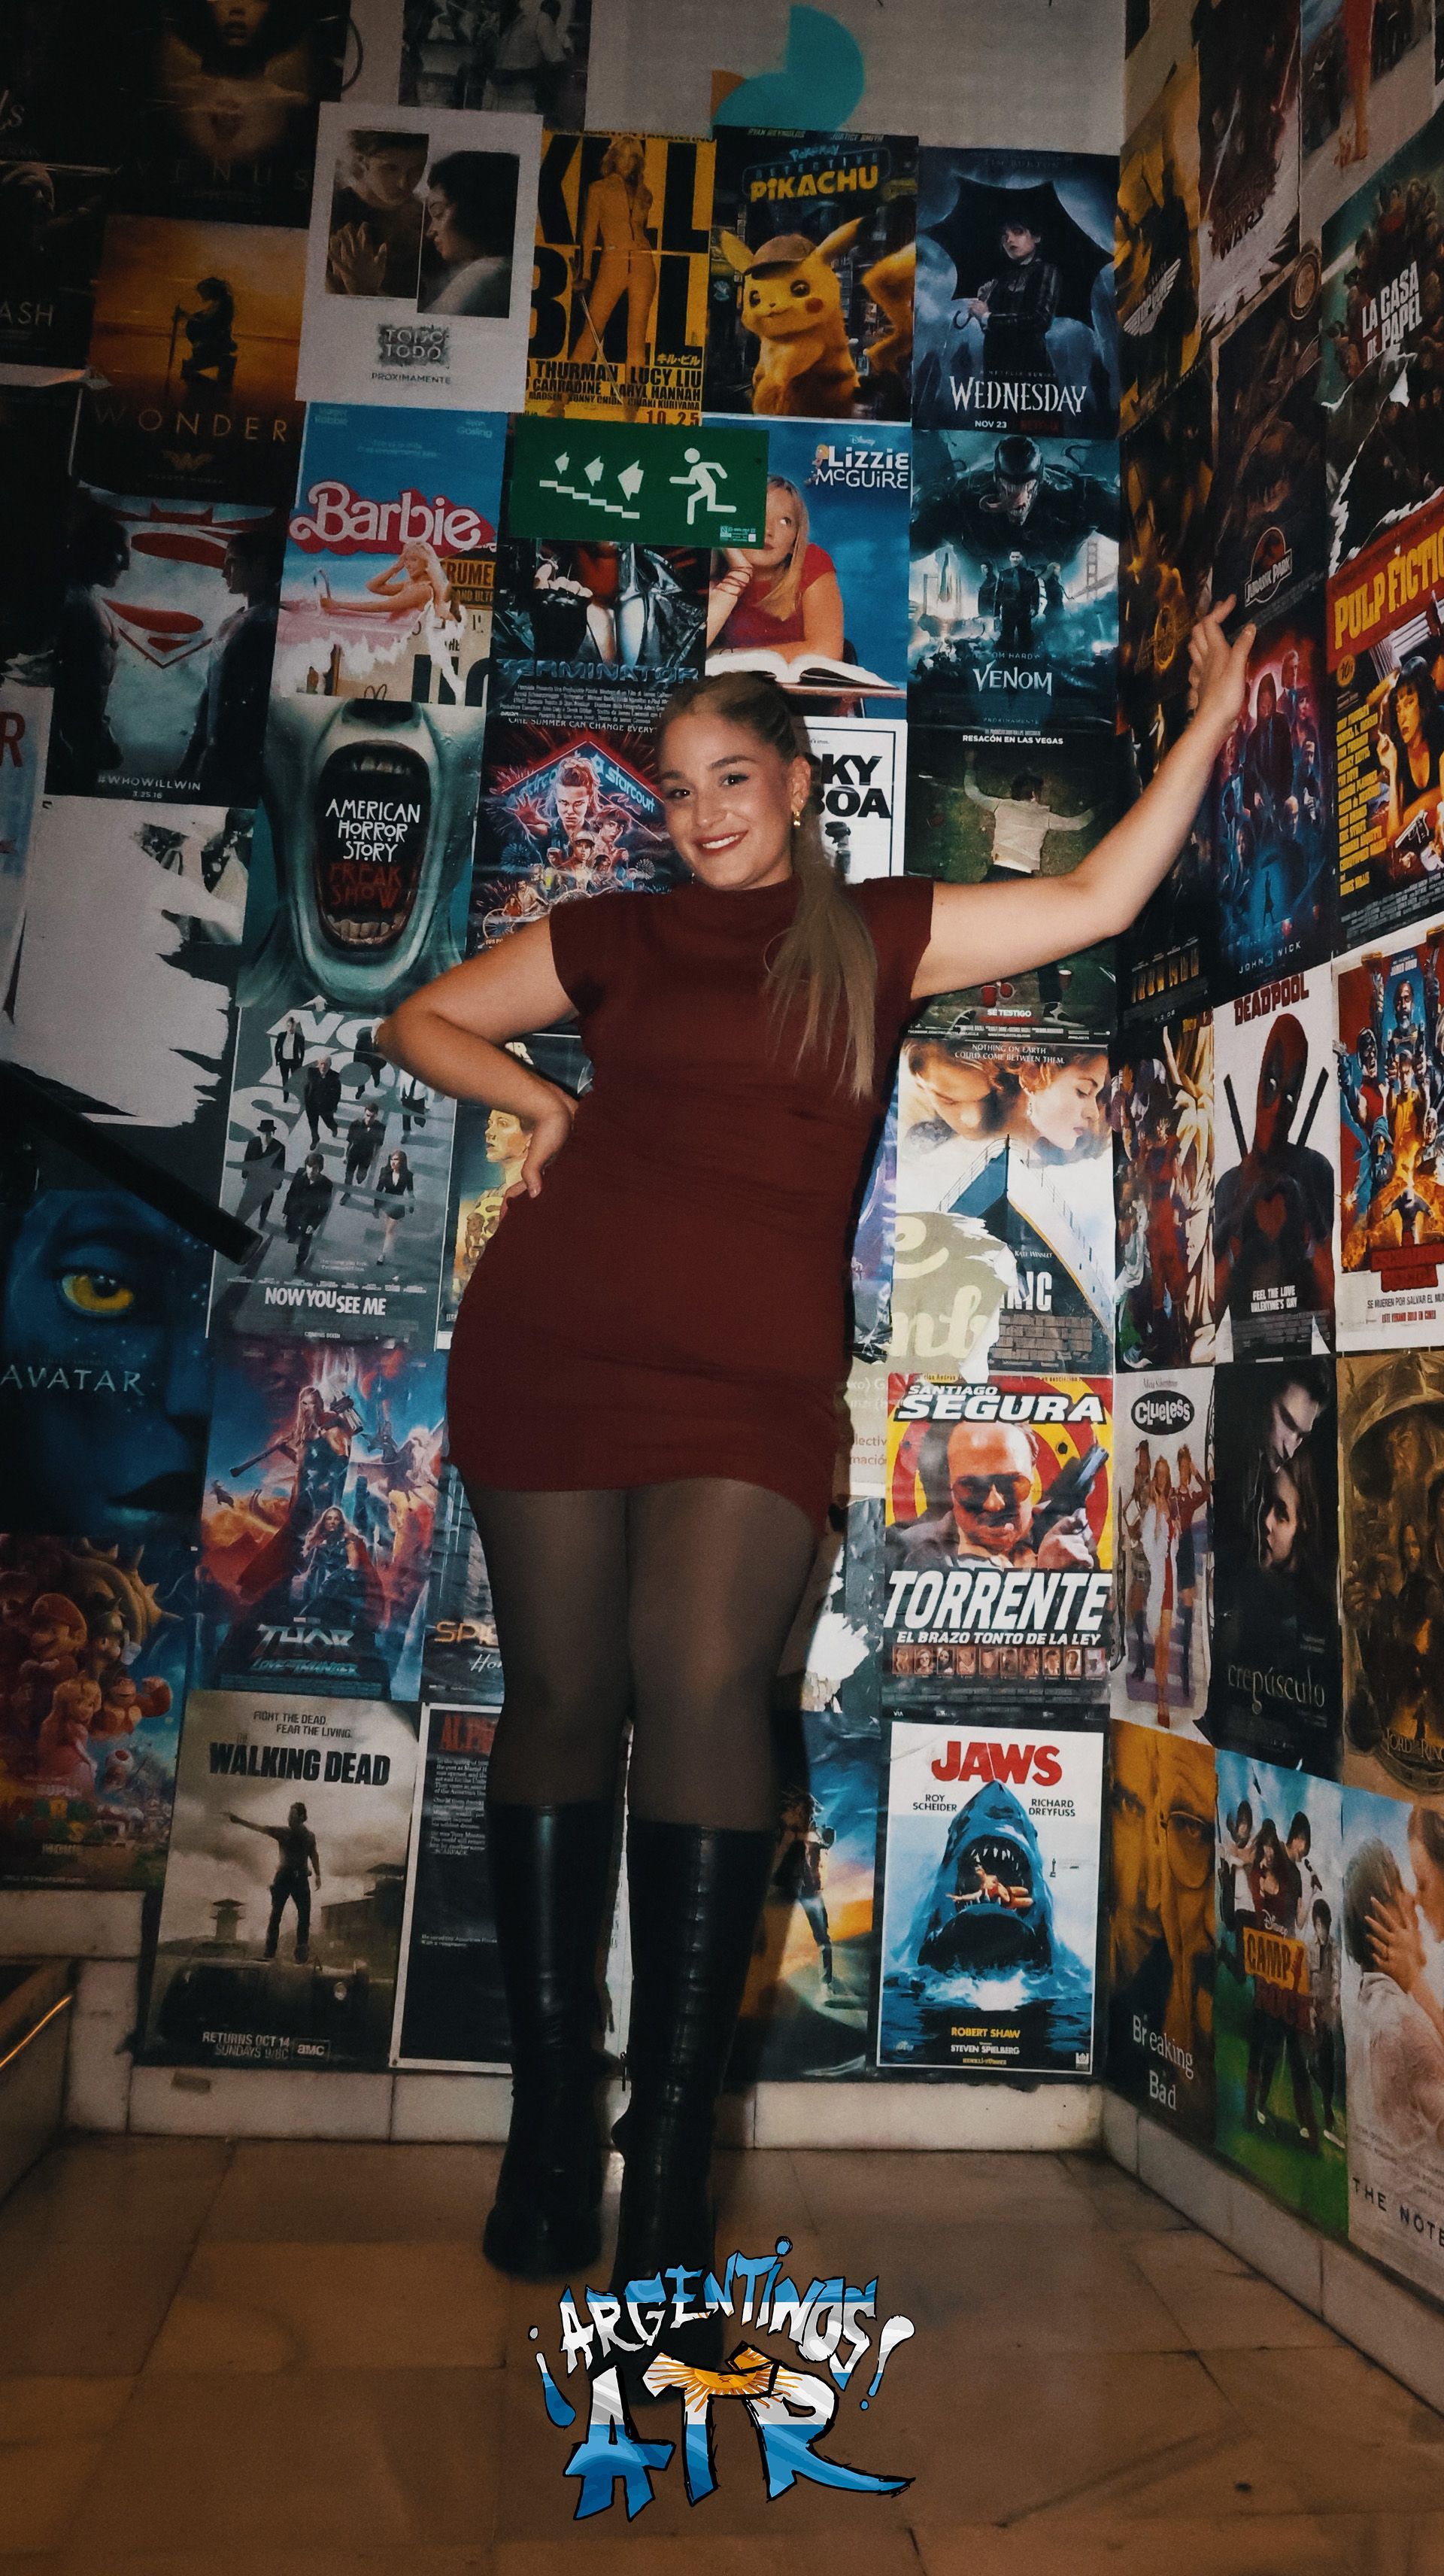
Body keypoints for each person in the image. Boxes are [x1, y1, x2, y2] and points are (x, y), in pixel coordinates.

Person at [375, 603, 1252, 2392]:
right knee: (561, 1698)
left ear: (796, 784)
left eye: (731, 777)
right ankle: (548, 2130)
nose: (700, 810)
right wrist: (538, 1105)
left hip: (750, 1382)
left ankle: (667, 2188)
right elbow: (421, 1017)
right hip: (555, 1341)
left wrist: (1218, 710)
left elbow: (1097, 899)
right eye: (675, 784)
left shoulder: (874, 933)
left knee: (704, 1683)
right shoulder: (614, 936)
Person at [180, 519, 280, 804]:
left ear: (259, 565)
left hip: (244, 761)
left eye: (233, 563)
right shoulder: (234, 621)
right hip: (218, 757)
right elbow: (212, 693)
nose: (224, 572)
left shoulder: (269, 623)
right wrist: (193, 758)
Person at [706, 476, 845, 672]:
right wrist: (739, 573)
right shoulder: (708, 565)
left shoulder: (811, 561)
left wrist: (729, 656)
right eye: (756, 515)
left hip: (800, 689)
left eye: (784, 521)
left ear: (794, 542)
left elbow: (826, 650)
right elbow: (687, 649)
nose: (768, 530)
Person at [571, 134, 655, 395]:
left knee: (633, 339)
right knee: (595, 332)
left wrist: (639, 186)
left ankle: (632, 404)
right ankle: (563, 397)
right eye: (625, 157)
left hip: (638, 263)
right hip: (619, 262)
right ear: (615, 158)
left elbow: (639, 228)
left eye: (633, 158)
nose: (628, 163)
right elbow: (589, 234)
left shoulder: (642, 194)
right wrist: (585, 274)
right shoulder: (601, 189)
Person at [326, 130, 429, 297]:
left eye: (416, 170)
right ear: (362, 161)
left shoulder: (426, 217)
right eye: (390, 168)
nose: (404, 183)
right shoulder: (333, 212)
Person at [418, 150, 514, 315]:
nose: (430, 232)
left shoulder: (487, 273)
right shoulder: (499, 270)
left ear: (473, 207)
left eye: (438, 213)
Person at [229, 1801, 321, 1963]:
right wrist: (239, 1821)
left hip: (300, 1880)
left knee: (304, 1917)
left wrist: (318, 1875)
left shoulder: (309, 1837)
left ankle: (301, 1952)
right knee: (276, 1915)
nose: (289, 1819)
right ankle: (270, 1952)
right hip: (284, 1878)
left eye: (292, 1816)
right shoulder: (283, 1833)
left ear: (301, 1817)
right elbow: (261, 1829)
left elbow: (314, 1855)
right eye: (289, 1815)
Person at [284, 1152, 332, 1274]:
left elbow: (324, 1207)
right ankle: (293, 1235)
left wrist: (314, 1225)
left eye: (315, 1168)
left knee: (305, 1243)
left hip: (309, 1218)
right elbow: (291, 1193)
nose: (311, 1171)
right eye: (309, 1167)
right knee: (290, 1230)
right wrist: (286, 1210)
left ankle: (299, 1263)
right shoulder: (300, 1174)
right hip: (294, 1213)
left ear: (320, 1169)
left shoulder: (326, 1184)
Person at [236, 1119, 286, 1226]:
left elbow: (280, 1167)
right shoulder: (253, 1143)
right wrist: (244, 1175)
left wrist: (277, 1184)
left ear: (272, 1133)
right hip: (253, 1179)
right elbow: (247, 1160)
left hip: (268, 1182)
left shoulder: (280, 1147)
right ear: (260, 1133)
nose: (266, 1137)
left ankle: (262, 1220)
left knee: (266, 1203)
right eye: (264, 1134)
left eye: (269, 1134)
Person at [372, 1147, 415, 1265]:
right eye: (392, 1159)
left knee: (390, 1230)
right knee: (387, 1229)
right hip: (385, 1203)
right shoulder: (384, 1172)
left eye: (396, 1160)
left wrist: (411, 1204)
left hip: (398, 1205)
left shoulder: (408, 1175)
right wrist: (376, 1207)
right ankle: (389, 1245)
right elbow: (379, 1190)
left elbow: (410, 1191)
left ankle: (383, 1254)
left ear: (402, 1162)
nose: (393, 1162)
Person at [341, 1103, 384, 1202]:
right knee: (348, 1175)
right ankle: (347, 1193)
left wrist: (374, 1158)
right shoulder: (356, 1124)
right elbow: (349, 1141)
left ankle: (360, 1177)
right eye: (367, 1115)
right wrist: (345, 1155)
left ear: (376, 1116)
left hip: (367, 1156)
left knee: (361, 1176)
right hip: (354, 1154)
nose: (369, 1119)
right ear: (364, 1113)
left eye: (372, 1117)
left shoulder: (380, 1128)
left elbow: (379, 1144)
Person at [303, 1053, 342, 1147]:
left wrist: (333, 1107)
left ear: (330, 1065)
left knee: (329, 1122)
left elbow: (337, 1094)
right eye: (322, 1064)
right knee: (313, 1125)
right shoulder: (311, 1072)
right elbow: (308, 1087)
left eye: (326, 1064)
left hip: (326, 1107)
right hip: (312, 1106)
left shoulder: (335, 1077)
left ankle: (334, 1128)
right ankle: (315, 1139)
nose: (324, 1067)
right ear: (318, 1064)